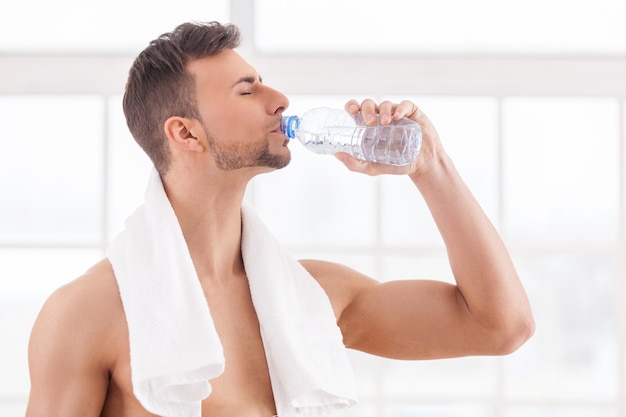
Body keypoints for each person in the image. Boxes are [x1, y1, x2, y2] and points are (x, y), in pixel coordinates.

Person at [25, 21, 534, 417]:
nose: (280, 101)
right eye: (247, 91)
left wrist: (432, 166)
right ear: (185, 134)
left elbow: (500, 327)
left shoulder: (312, 298)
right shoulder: (87, 314)